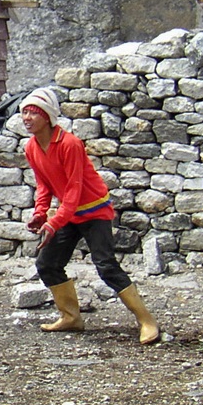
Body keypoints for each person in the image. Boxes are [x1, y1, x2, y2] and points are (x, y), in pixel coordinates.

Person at [20, 87, 162, 345]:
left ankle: (146, 320)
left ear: (48, 116)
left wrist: (54, 222)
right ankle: (71, 318)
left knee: (106, 265)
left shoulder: (69, 144)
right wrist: (40, 213)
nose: (27, 117)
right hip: (68, 214)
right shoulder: (31, 147)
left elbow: (74, 189)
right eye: (25, 112)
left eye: (33, 112)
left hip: (94, 210)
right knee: (47, 265)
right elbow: (44, 185)